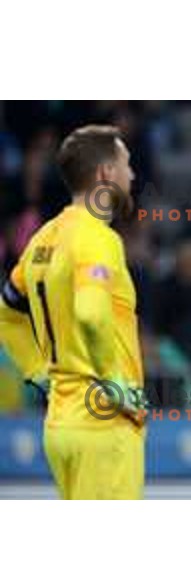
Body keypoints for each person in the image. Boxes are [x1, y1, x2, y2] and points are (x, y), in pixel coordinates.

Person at [0, 124, 146, 499]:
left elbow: (7, 312)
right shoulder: (98, 237)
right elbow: (91, 313)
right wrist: (114, 385)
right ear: (105, 174)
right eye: (126, 164)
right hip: (103, 423)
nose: (132, 174)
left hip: (60, 422)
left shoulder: (43, 239)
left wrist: (37, 370)